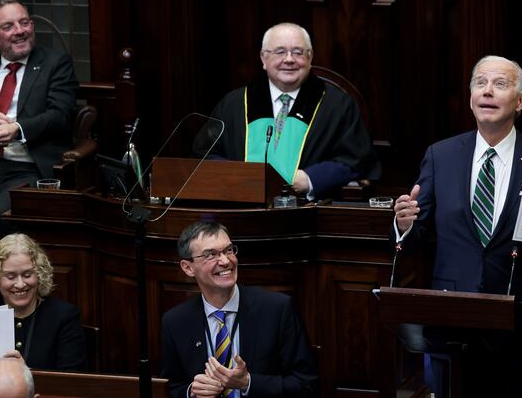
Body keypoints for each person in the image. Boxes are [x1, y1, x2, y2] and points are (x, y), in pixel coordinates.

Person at [392, 55, 522, 397]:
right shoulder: (441, 155)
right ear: (470, 97)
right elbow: (417, 238)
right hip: (451, 315)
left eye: (500, 84)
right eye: (480, 84)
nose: (487, 92)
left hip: (516, 321)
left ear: (520, 100)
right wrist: (404, 225)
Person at [0, 0, 79, 313]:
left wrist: (17, 128)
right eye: (8, 26)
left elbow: (60, 115)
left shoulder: (54, 63)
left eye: (24, 23)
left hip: (25, 167)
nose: (19, 31)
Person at [198, 22, 380, 199]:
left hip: (309, 216)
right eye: (280, 52)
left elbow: (357, 160)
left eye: (298, 52)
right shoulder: (234, 104)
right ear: (263, 58)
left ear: (310, 58)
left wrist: (310, 179)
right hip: (240, 211)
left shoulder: (338, 106)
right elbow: (204, 156)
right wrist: (239, 177)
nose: (289, 59)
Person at [161, 221, 318, 398]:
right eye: (211, 255)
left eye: (228, 250)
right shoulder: (175, 321)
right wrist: (191, 392)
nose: (226, 261)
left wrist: (248, 383)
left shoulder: (277, 309)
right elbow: (170, 388)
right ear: (188, 268)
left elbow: (307, 385)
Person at [0, 233, 86, 383]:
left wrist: (27, 373)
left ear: (39, 274)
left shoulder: (64, 316)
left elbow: (72, 383)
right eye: (10, 276)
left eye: (27, 275)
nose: (20, 284)